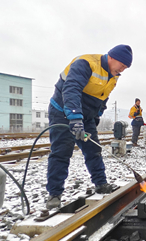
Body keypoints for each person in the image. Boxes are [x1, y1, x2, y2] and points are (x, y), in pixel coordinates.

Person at [46, 44, 133, 209]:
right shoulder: (86, 63)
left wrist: (96, 116)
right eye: (122, 65)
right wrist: (75, 118)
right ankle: (54, 194)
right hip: (63, 113)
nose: (122, 69)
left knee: (93, 149)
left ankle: (100, 183)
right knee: (61, 152)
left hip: (85, 116)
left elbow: (102, 98)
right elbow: (72, 89)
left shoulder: (113, 76)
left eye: (125, 68)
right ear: (112, 57)